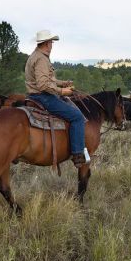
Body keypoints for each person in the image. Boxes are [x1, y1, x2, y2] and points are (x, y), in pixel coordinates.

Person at [25, 30, 89, 167]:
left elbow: (47, 80)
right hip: (44, 97)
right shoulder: (41, 59)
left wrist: (63, 83)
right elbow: (43, 85)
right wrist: (62, 91)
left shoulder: (36, 56)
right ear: (47, 43)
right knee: (77, 116)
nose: (52, 45)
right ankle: (77, 154)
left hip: (36, 95)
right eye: (51, 43)